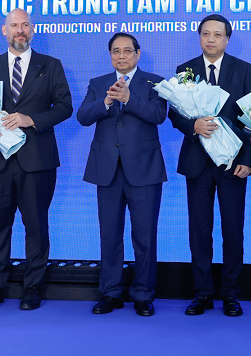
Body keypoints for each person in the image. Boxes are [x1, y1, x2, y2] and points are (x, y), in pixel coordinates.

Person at [0, 8, 72, 311]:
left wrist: (32, 119)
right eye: (14, 25)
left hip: (37, 160)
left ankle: (33, 287)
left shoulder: (51, 65)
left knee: (36, 226)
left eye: (25, 25)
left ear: (32, 29)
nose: (20, 30)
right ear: (5, 30)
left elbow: (65, 106)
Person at [169, 14, 251, 317]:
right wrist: (192, 125)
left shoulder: (244, 70)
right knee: (199, 230)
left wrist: (248, 159)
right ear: (200, 37)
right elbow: (174, 113)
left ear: (227, 39)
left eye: (217, 34)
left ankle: (231, 293)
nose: (211, 39)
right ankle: (202, 292)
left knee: (233, 229)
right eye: (206, 34)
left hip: (233, 162)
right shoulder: (185, 70)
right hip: (197, 161)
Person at [77, 33, 168, 317]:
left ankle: (143, 294)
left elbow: (158, 115)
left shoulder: (154, 82)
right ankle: (111, 292)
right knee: (110, 235)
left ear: (138, 54)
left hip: (145, 169)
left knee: (145, 236)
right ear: (110, 55)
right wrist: (105, 102)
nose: (121, 56)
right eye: (116, 51)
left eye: (127, 51)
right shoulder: (98, 84)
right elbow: (83, 116)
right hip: (107, 170)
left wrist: (129, 99)